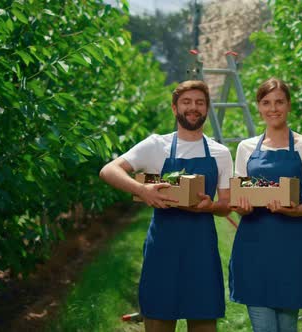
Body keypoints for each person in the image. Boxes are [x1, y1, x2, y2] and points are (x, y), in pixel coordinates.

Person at [99, 80, 233, 332]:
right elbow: (108, 170)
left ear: (206, 109)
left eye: (200, 103)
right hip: (163, 249)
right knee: (159, 321)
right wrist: (141, 190)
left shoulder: (220, 153)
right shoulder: (156, 145)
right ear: (174, 108)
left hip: (201, 250)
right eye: (186, 102)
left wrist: (209, 206)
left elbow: (226, 205)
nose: (193, 107)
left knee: (203, 324)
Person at [229, 77, 302, 332]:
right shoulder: (246, 148)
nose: (273, 109)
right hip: (253, 246)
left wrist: (293, 210)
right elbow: (240, 194)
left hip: (291, 247)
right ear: (258, 107)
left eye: (279, 102)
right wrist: (242, 206)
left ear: (289, 105)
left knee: (287, 325)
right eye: (266, 103)